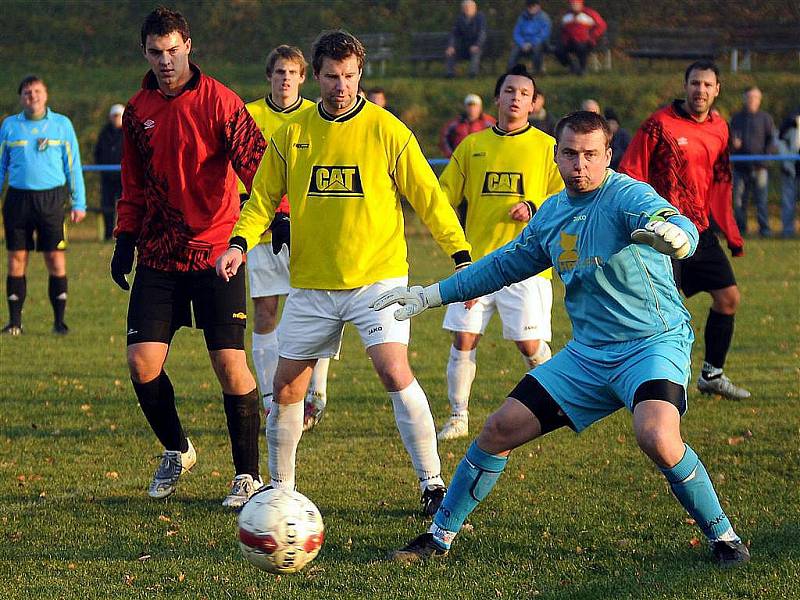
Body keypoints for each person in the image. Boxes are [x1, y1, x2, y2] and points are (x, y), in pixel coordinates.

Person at [375, 111, 751, 569]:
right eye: (570, 153)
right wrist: (432, 294)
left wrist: (679, 236)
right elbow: (502, 265)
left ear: (607, 156)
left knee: (656, 435)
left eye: (591, 154)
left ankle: (725, 538)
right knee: (498, 430)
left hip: (652, 343)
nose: (580, 164)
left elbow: (671, 221)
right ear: (556, 156)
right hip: (588, 355)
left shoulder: (626, 194)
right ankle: (438, 537)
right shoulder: (551, 214)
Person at [216, 30, 472, 516]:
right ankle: (280, 490)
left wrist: (460, 254)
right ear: (317, 76)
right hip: (312, 283)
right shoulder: (293, 133)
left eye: (350, 76)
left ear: (360, 74)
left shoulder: (387, 129)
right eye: (332, 77)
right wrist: (237, 243)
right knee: (288, 384)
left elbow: (428, 196)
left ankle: (432, 482)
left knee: (392, 369)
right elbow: (263, 198)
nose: (341, 85)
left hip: (377, 277)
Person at [110, 7, 267, 508]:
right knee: (142, 363)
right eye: (156, 52)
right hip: (159, 254)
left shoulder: (221, 102)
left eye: (173, 50)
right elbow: (132, 184)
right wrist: (124, 239)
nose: (165, 60)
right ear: (145, 53)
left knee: (229, 363)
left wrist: (275, 216)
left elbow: (258, 168)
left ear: (188, 47)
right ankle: (177, 449)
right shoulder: (137, 111)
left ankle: (248, 477)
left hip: (217, 252)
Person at [436, 64, 564, 441]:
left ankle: (561, 397)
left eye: (524, 93)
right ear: (497, 98)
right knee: (463, 338)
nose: (516, 98)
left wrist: (534, 206)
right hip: (476, 264)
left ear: (534, 102)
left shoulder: (546, 147)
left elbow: (565, 196)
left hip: (527, 265)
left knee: (528, 344)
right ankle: (458, 416)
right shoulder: (473, 145)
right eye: (509, 91)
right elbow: (444, 197)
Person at [619, 60, 749, 401]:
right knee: (667, 314)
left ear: (717, 89)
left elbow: (721, 182)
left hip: (701, 230)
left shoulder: (721, 128)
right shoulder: (658, 125)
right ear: (685, 86)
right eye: (694, 83)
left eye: (707, 85)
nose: (700, 90)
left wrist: (731, 232)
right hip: (665, 231)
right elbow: (630, 171)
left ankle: (712, 375)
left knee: (728, 298)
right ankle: (651, 383)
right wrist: (639, 219)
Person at [238, 45, 332, 433]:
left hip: (305, 229)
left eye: (292, 73)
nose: (285, 79)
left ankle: (315, 394)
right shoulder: (248, 115)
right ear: (269, 77)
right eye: (279, 72)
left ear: (303, 77)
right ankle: (268, 398)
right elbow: (235, 167)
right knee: (265, 312)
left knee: (314, 311)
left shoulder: (316, 115)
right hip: (261, 230)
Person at [0, 75, 86, 336]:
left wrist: (78, 201)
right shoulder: (10, 126)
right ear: (21, 97)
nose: (33, 96)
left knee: (55, 259)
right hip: (18, 200)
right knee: (16, 259)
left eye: (37, 91)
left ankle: (59, 322)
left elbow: (73, 166)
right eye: (27, 92)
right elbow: (1, 165)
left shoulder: (61, 125)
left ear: (46, 95)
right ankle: (15, 323)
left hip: (51, 201)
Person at [729, 87, 777, 237]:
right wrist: (733, 145)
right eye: (749, 97)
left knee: (761, 201)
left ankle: (765, 230)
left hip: (760, 168)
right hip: (740, 168)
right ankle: (741, 230)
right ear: (745, 99)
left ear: (759, 100)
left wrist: (765, 157)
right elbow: (728, 141)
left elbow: (771, 140)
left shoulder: (766, 118)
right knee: (738, 202)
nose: (752, 100)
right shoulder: (736, 119)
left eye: (755, 97)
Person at [94, 104, 125, 240]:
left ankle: (125, 233)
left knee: (126, 207)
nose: (116, 118)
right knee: (107, 205)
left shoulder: (129, 132)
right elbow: (98, 152)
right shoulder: (104, 133)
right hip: (107, 176)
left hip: (124, 177)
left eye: (119, 115)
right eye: (114, 116)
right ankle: (108, 234)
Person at [554, 0, 607, 76]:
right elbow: (563, 30)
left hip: (587, 41)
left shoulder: (590, 13)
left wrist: (592, 36)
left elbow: (602, 26)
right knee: (558, 51)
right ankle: (572, 66)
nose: (574, 5)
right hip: (569, 41)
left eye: (576, 4)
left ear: (581, 4)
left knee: (581, 47)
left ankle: (583, 69)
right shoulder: (566, 15)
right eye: (572, 4)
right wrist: (564, 39)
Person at [439, 94, 496, 158]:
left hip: (482, 159)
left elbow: (498, 138)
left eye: (475, 106)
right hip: (460, 159)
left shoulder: (489, 123)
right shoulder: (455, 123)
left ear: (480, 107)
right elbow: (444, 138)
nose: (472, 109)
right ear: (465, 107)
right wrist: (451, 155)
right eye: (469, 106)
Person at [446, 0, 487, 78]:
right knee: (450, 51)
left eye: (469, 8)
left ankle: (473, 74)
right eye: (465, 8)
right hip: (463, 47)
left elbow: (482, 34)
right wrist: (451, 46)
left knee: (475, 51)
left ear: (474, 8)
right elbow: (454, 34)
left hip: (477, 46)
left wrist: (477, 45)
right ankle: (450, 74)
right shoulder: (459, 19)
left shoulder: (480, 17)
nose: (467, 9)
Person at [508, 1, 551, 74]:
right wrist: (522, 43)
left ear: (538, 6)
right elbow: (516, 33)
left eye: (533, 5)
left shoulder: (544, 18)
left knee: (537, 47)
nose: (531, 8)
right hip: (523, 43)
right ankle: (510, 71)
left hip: (538, 43)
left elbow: (544, 34)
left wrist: (531, 43)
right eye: (529, 6)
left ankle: (537, 70)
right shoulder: (522, 17)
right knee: (515, 49)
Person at [777, 106, 799, 238]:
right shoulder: (792, 118)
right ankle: (788, 231)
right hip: (790, 168)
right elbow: (780, 139)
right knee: (788, 202)